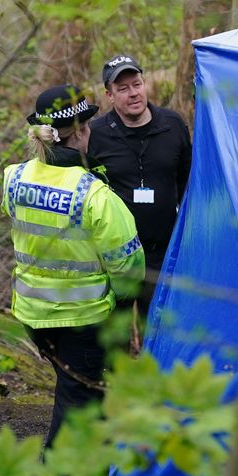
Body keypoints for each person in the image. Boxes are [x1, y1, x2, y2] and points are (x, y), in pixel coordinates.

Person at [3, 85, 145, 446]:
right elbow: (129, 267)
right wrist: (124, 303)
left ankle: (95, 462)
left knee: (81, 390)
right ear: (81, 130)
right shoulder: (95, 195)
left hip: (32, 316)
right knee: (75, 399)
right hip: (82, 322)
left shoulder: (14, 179)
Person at [88, 54, 192, 326]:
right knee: (115, 335)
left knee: (158, 329)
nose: (133, 94)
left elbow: (187, 183)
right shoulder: (95, 135)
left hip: (162, 251)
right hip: (116, 257)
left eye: (137, 84)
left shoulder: (173, 125)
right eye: (122, 89)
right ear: (109, 95)